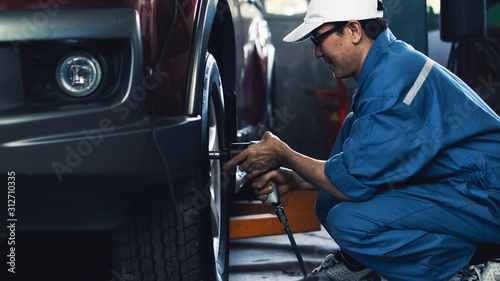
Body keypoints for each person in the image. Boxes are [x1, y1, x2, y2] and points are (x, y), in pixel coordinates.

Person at [224, 0, 500, 280]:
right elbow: (358, 172)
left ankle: (473, 265)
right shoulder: (385, 65)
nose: (317, 52)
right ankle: (361, 264)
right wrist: (296, 178)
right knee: (328, 199)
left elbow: (354, 183)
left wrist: (284, 154)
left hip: (485, 195)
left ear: (354, 30)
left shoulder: (389, 87)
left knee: (350, 222)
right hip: (460, 185)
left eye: (319, 39)